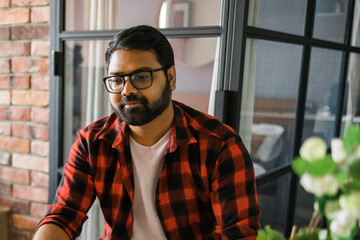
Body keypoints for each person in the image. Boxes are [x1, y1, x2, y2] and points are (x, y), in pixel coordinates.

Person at [34, 25, 260, 240]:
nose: (127, 90)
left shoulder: (219, 146)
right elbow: (63, 215)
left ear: (170, 78)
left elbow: (238, 234)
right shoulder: (92, 142)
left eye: (142, 77)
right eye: (116, 79)